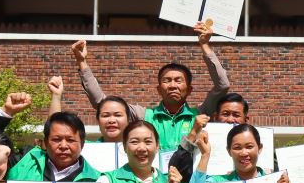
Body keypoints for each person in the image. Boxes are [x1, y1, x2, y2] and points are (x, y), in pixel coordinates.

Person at [71, 21, 230, 152]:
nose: (172, 85)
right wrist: (82, 62)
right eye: (167, 81)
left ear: (189, 89)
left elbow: (222, 85)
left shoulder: (200, 114)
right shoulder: (144, 115)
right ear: (159, 89)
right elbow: (101, 102)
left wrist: (205, 45)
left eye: (178, 80)